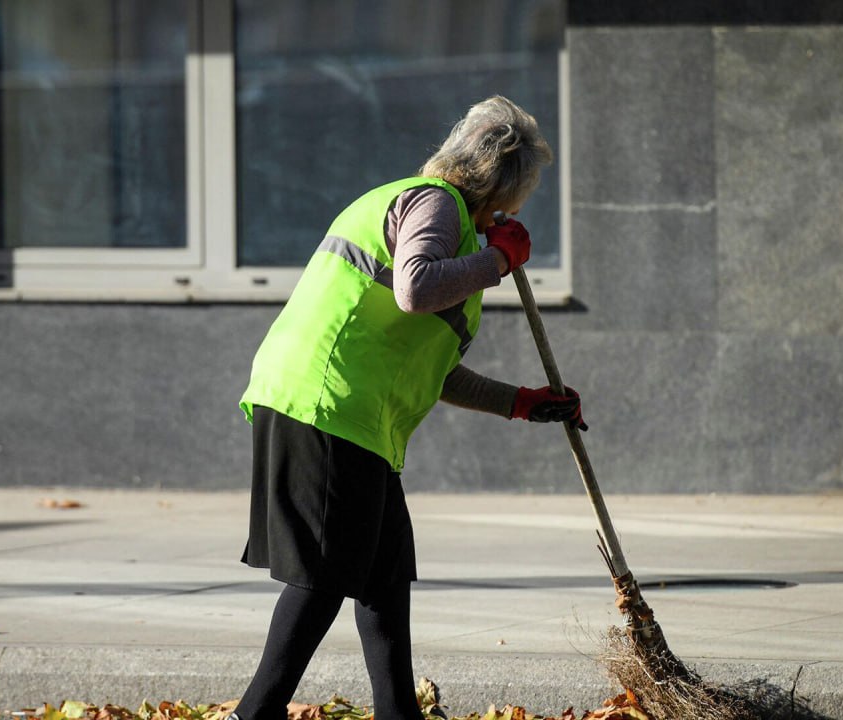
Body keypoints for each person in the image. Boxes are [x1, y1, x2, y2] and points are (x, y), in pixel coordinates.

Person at [232, 95, 586, 720]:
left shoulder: (451, 228)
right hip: (327, 404)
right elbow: (415, 288)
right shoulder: (435, 204)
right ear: (501, 186)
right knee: (323, 576)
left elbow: (436, 370)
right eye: (516, 198)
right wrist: (499, 259)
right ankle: (253, 715)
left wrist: (523, 403)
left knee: (383, 578)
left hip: (359, 420)